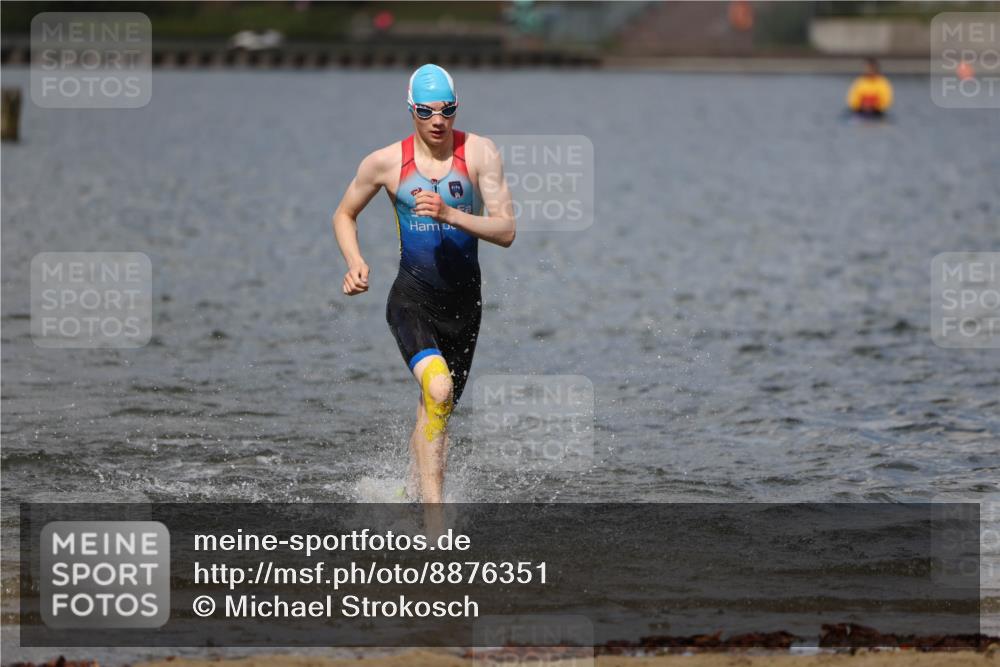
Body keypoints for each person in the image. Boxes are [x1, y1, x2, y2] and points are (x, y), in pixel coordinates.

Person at [332, 64, 516, 506]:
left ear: (456, 109)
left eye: (447, 110)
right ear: (411, 109)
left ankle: (411, 496)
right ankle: (435, 525)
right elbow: (344, 214)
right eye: (426, 111)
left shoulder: (479, 153)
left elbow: (506, 230)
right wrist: (355, 262)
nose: (438, 120)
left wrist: (450, 214)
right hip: (412, 299)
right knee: (439, 389)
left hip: (464, 307)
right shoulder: (385, 163)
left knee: (438, 407)